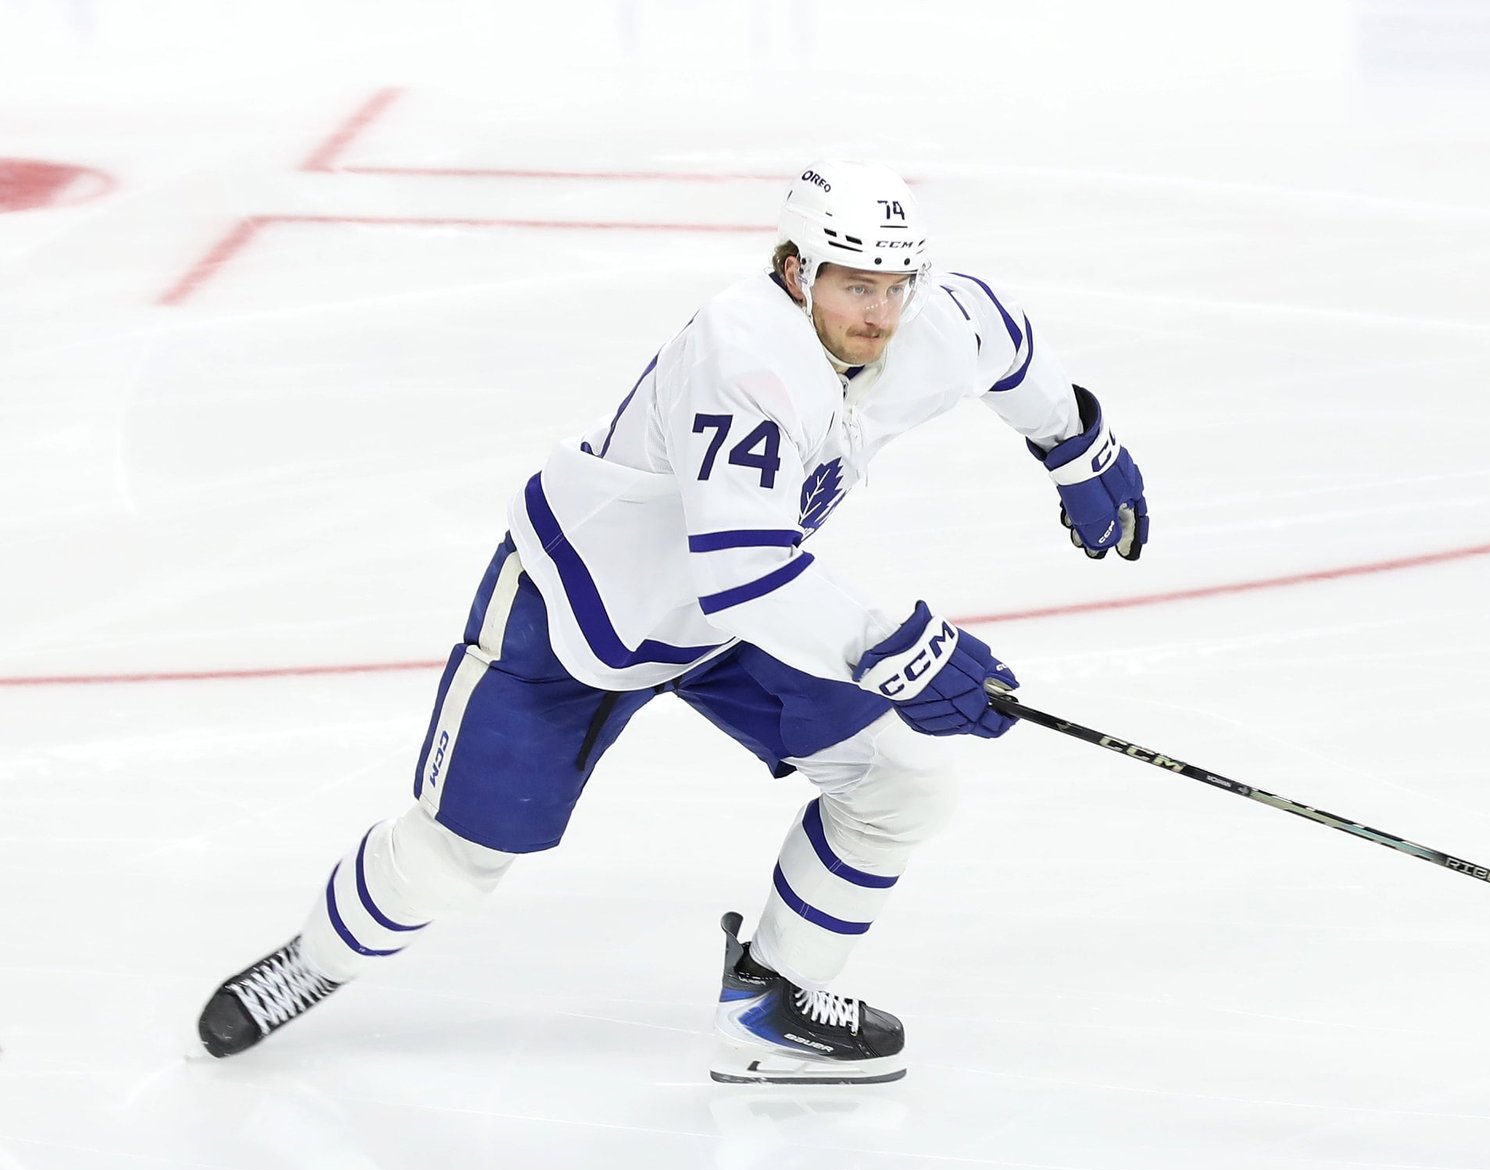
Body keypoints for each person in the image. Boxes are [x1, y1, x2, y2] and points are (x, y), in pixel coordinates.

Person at [196, 159, 1148, 1084]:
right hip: (581, 612)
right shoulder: (746, 353)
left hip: (736, 620)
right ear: (796, 272)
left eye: (897, 286)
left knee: (900, 782)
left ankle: (770, 1007)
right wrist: (905, 652)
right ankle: (313, 962)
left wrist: (1076, 446)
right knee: (457, 859)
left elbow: (1007, 344)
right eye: (856, 286)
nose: (881, 313)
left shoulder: (931, 321)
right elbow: (745, 571)